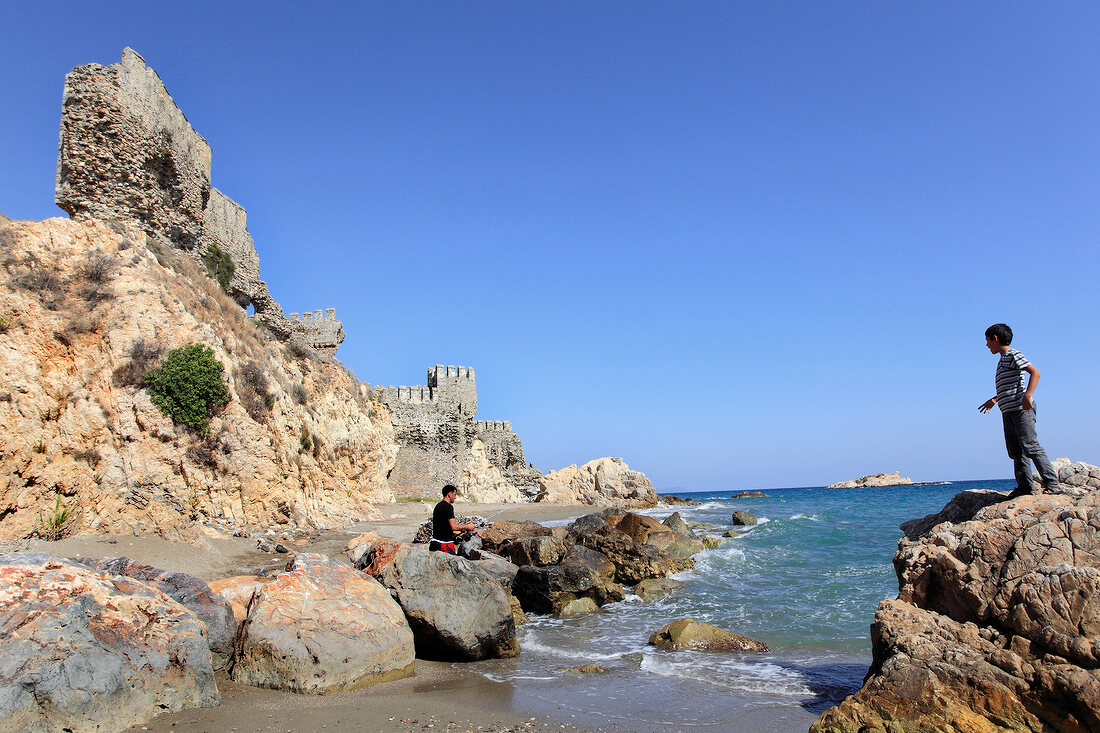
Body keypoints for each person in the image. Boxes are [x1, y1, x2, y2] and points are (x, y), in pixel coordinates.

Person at [978, 323, 1060, 496]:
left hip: (1021, 409)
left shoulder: (1013, 354)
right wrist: (994, 399)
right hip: (1007, 411)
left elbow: (1035, 372)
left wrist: (1027, 396)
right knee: (1016, 451)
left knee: (1030, 446)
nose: (986, 345)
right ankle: (1024, 487)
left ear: (995, 338)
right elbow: (1009, 386)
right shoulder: (1002, 360)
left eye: (987, 341)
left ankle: (1052, 484)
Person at [430, 484, 479, 554]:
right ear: (449, 494)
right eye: (455, 494)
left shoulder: (437, 506)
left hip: (434, 542)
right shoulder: (448, 507)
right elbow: (453, 527)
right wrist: (467, 526)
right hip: (445, 544)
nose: (455, 497)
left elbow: (444, 528)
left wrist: (461, 535)